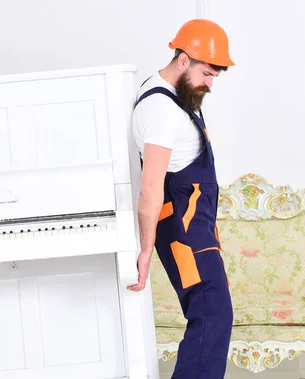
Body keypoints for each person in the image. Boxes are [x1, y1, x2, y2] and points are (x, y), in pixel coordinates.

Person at [127, 19, 235, 379]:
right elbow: (150, 187)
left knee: (212, 314)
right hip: (184, 236)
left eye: (215, 76)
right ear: (184, 59)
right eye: (207, 73)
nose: (210, 83)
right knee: (211, 314)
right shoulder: (161, 110)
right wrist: (145, 250)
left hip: (196, 230)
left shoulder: (179, 95)